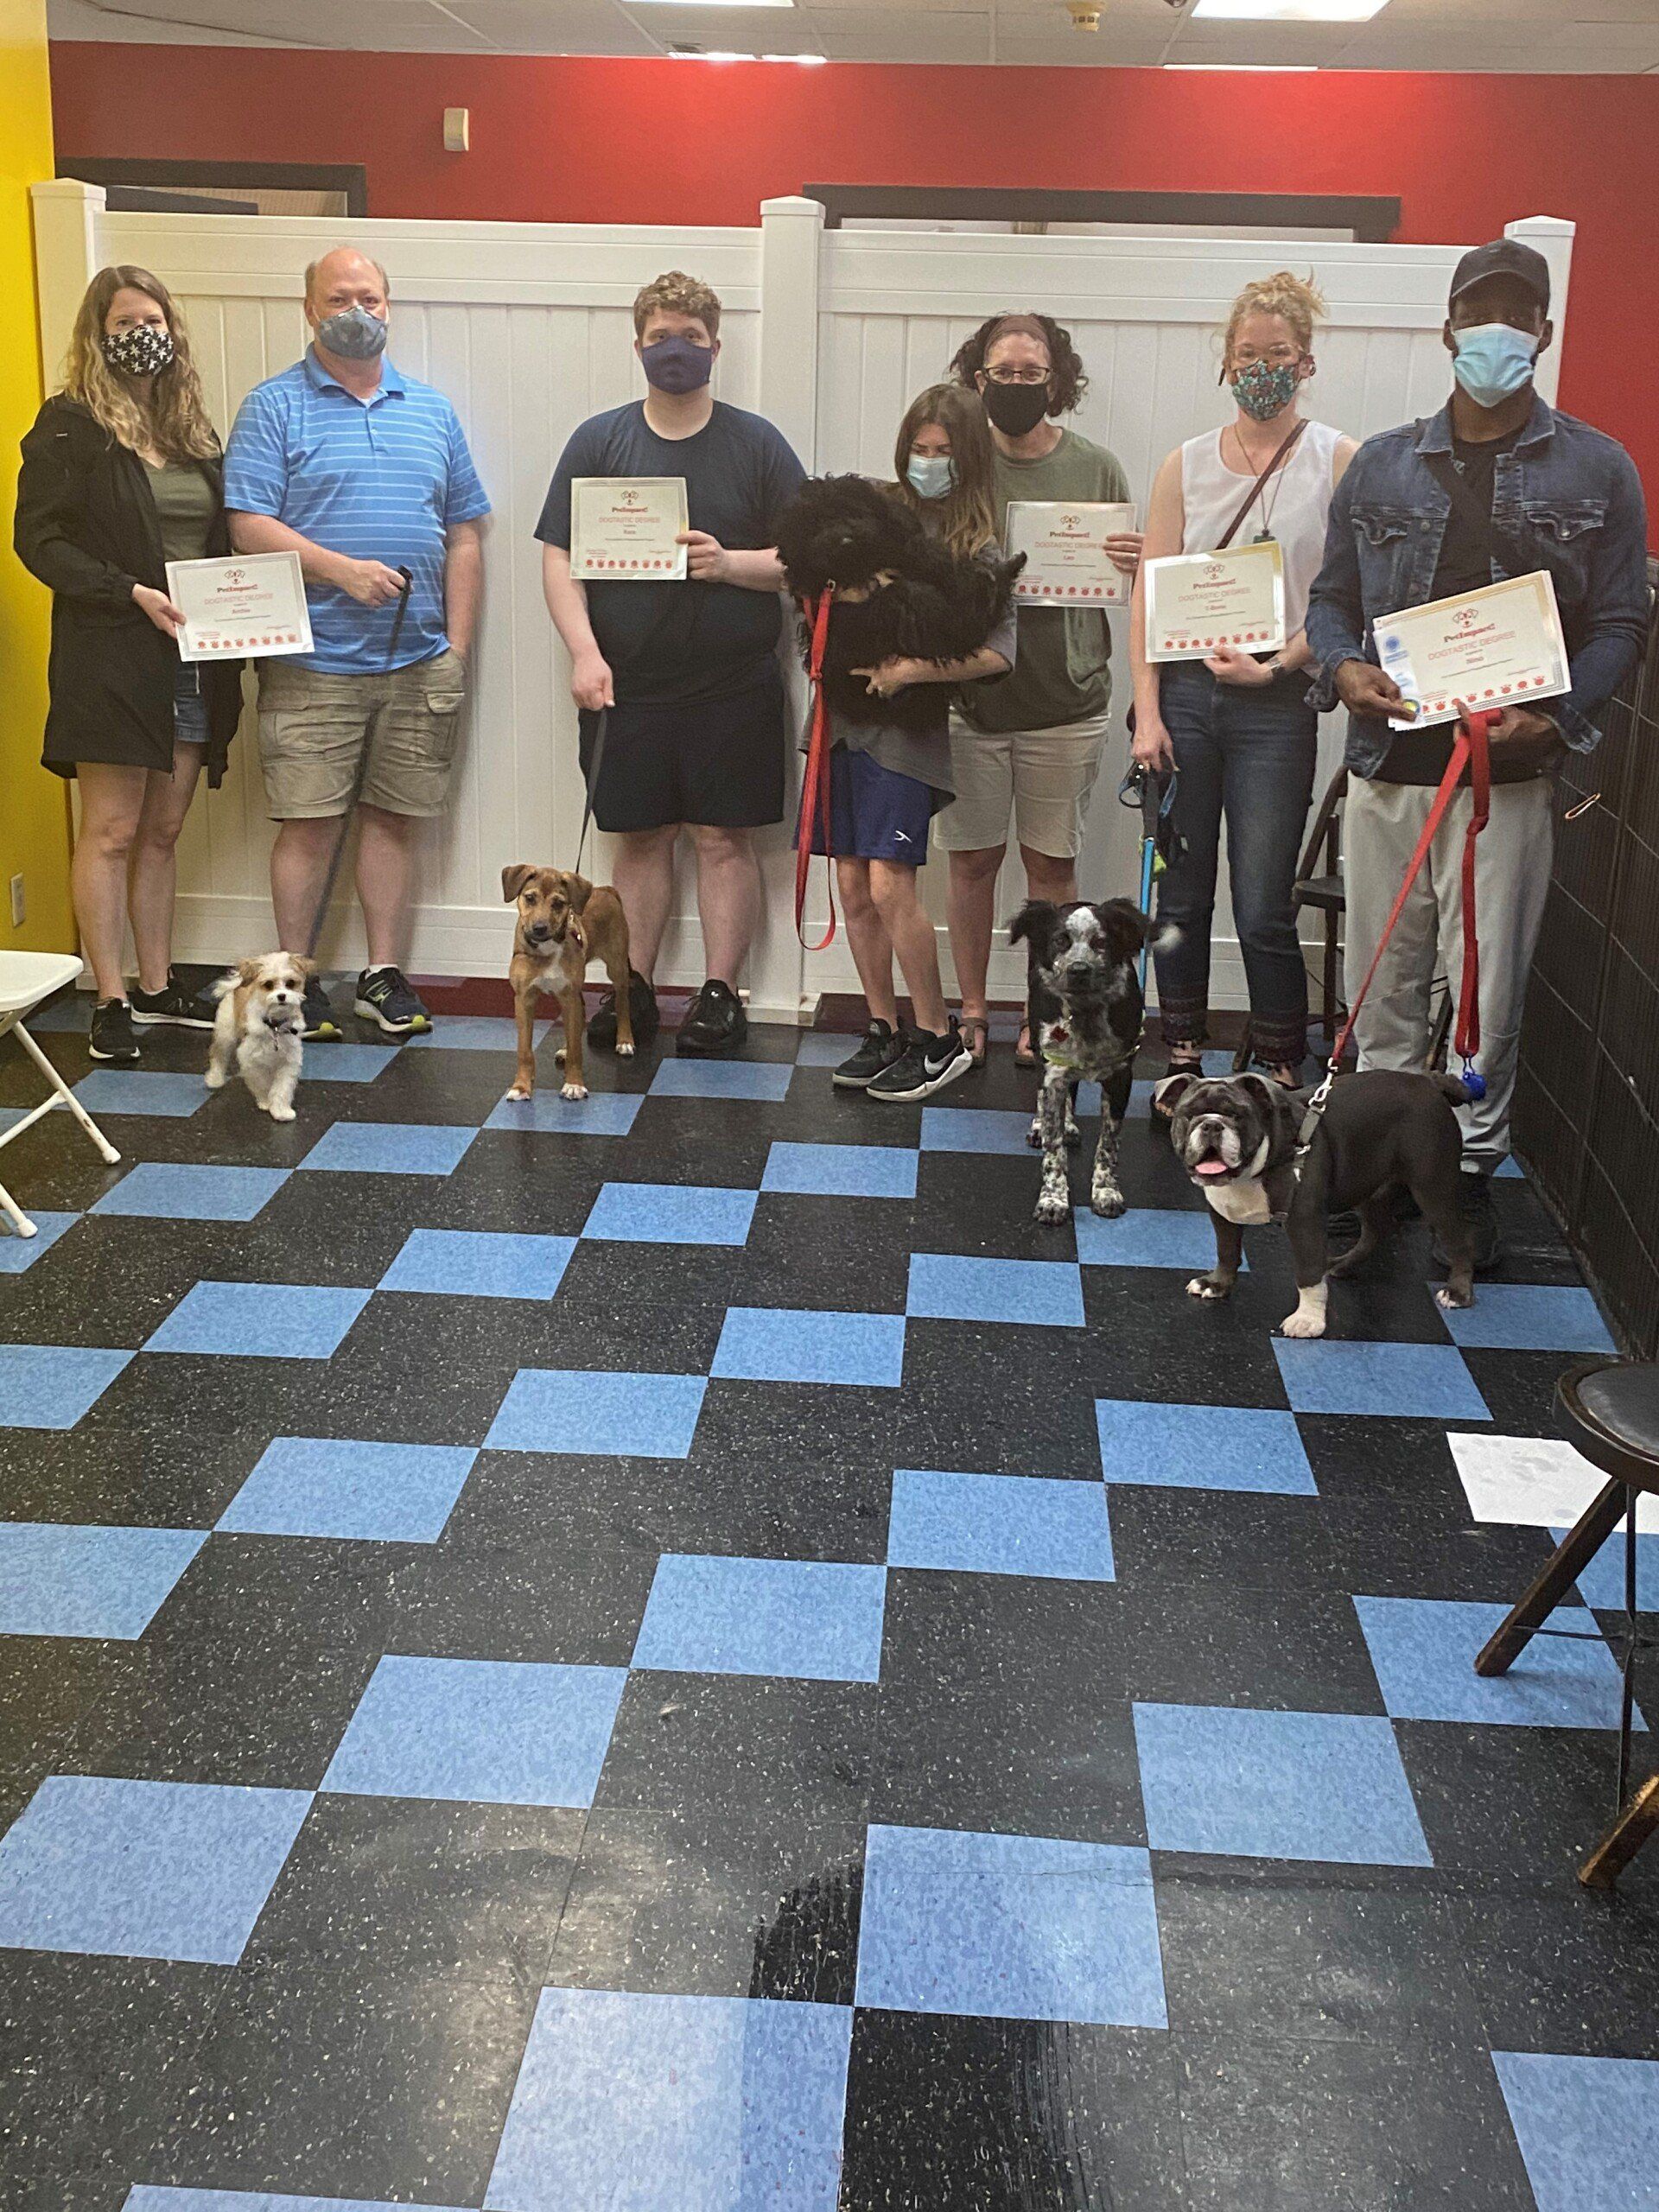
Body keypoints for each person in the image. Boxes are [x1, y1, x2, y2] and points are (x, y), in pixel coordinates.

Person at [1306, 237, 1649, 1268]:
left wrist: (1563, 717)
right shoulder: (1381, 462)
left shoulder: (1599, 466)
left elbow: (1623, 622)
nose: (1495, 334)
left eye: (1516, 316)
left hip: (1513, 780)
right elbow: (1331, 603)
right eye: (1478, 315)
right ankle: (1380, 1167)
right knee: (1388, 984)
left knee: (1490, 995)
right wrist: (1340, 671)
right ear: (1450, 329)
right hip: (1389, 771)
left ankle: (1470, 1172)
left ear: (1541, 332)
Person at [537, 271, 806, 1057]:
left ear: (716, 346)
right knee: (642, 839)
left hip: (734, 684)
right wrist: (583, 654)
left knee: (725, 841)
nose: (676, 350)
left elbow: (806, 557)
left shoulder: (757, 443)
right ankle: (634, 988)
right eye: (661, 338)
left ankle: (721, 992)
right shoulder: (600, 440)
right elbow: (559, 557)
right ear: (638, 346)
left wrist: (731, 565)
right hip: (627, 686)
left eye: (691, 336)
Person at [223, 247, 489, 1039]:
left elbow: (465, 535)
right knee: (309, 824)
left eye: (370, 298)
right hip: (311, 663)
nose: (357, 311)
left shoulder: (432, 410)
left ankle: (382, 974)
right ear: (309, 310)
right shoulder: (272, 407)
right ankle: (289, 993)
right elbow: (246, 524)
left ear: (389, 307)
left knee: (392, 819)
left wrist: (459, 647)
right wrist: (340, 571)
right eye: (339, 298)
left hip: (419, 661)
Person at [1130, 272, 1357, 1102]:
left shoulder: (1339, 460)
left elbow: (1347, 593)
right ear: (1226, 363)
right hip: (1186, 696)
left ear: (1306, 362)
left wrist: (1282, 665)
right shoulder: (1183, 466)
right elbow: (1149, 591)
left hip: (1275, 701)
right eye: (1247, 354)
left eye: (1278, 354)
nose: (1262, 366)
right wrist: (1147, 713)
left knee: (1263, 900)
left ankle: (1277, 1060)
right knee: (1182, 890)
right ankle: (1182, 1050)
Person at [16, 265, 244, 1064]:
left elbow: (219, 540)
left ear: (172, 329)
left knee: (164, 829)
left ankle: (156, 983)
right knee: (110, 830)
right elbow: (38, 540)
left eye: (151, 319)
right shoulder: (69, 424)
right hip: (112, 652)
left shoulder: (191, 431)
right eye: (121, 324)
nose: (139, 334)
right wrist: (128, 592)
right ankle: (108, 997)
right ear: (96, 335)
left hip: (195, 657)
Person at [794, 385, 1015, 1103]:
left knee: (892, 883)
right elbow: (795, 571)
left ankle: (936, 1035)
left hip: (907, 733)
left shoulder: (979, 542)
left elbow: (1000, 653)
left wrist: (909, 669)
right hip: (837, 724)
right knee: (853, 884)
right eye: (919, 450)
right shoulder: (868, 515)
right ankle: (883, 1029)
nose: (929, 463)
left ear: (968, 459)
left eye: (944, 453)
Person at [944, 312, 1141, 1065]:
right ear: (977, 376)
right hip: (970, 702)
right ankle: (969, 1011)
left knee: (1052, 871)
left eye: (1032, 373)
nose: (1017, 384)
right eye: (1003, 372)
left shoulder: (1098, 468)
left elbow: (1127, 581)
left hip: (1067, 702)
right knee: (970, 864)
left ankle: (1043, 1015)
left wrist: (1135, 558)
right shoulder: (956, 465)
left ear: (1056, 380)